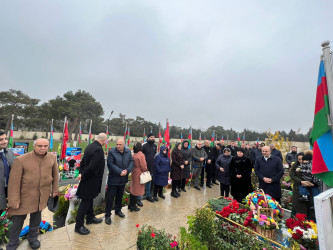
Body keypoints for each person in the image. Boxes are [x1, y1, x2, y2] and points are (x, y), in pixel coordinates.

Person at [7, 138, 59, 250]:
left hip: (42, 196)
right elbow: (13, 182)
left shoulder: (52, 158)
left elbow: (55, 175)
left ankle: (33, 238)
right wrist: (14, 200)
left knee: (36, 218)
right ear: (34, 146)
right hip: (24, 196)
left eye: (45, 146)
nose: (43, 148)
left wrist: (55, 189)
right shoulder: (21, 160)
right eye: (40, 146)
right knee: (18, 221)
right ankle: (12, 244)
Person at [75, 133, 107, 235]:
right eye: (106, 140)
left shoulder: (90, 146)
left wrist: (81, 172)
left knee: (89, 199)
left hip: (87, 178)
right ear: (103, 140)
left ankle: (90, 217)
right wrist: (83, 174)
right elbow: (93, 166)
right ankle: (78, 226)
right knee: (85, 202)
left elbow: (83, 161)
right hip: (91, 180)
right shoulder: (98, 149)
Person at [105, 139, 133, 225]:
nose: (118, 146)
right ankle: (108, 215)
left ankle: (118, 210)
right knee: (110, 198)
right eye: (117, 144)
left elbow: (131, 162)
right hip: (114, 179)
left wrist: (127, 171)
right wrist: (120, 171)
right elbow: (110, 164)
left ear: (124, 145)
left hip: (123, 179)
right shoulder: (112, 152)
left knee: (119, 196)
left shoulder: (128, 152)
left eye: (120, 144)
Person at [290, 152, 315, 220]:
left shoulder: (311, 164)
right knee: (298, 207)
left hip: (310, 188)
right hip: (298, 189)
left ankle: (310, 223)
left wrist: (312, 183)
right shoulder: (295, 166)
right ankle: (295, 221)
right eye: (299, 159)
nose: (301, 161)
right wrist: (301, 181)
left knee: (310, 208)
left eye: (302, 159)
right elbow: (292, 175)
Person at [129, 142, 147, 211]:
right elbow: (144, 166)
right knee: (136, 191)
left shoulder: (134, 154)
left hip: (134, 172)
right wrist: (145, 170)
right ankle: (133, 206)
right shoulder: (141, 155)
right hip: (139, 173)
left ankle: (131, 205)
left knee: (133, 189)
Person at [0, 131, 14, 213]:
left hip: (8, 190)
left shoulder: (10, 153)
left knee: (6, 218)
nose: (4, 141)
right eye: (1, 140)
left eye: (5, 138)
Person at [142, 133, 157, 203]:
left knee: (149, 182)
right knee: (143, 181)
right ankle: (140, 195)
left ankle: (148, 195)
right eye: (151, 137)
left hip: (152, 167)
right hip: (145, 167)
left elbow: (154, 155)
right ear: (148, 138)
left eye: (153, 137)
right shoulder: (144, 146)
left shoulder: (155, 146)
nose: (152, 138)